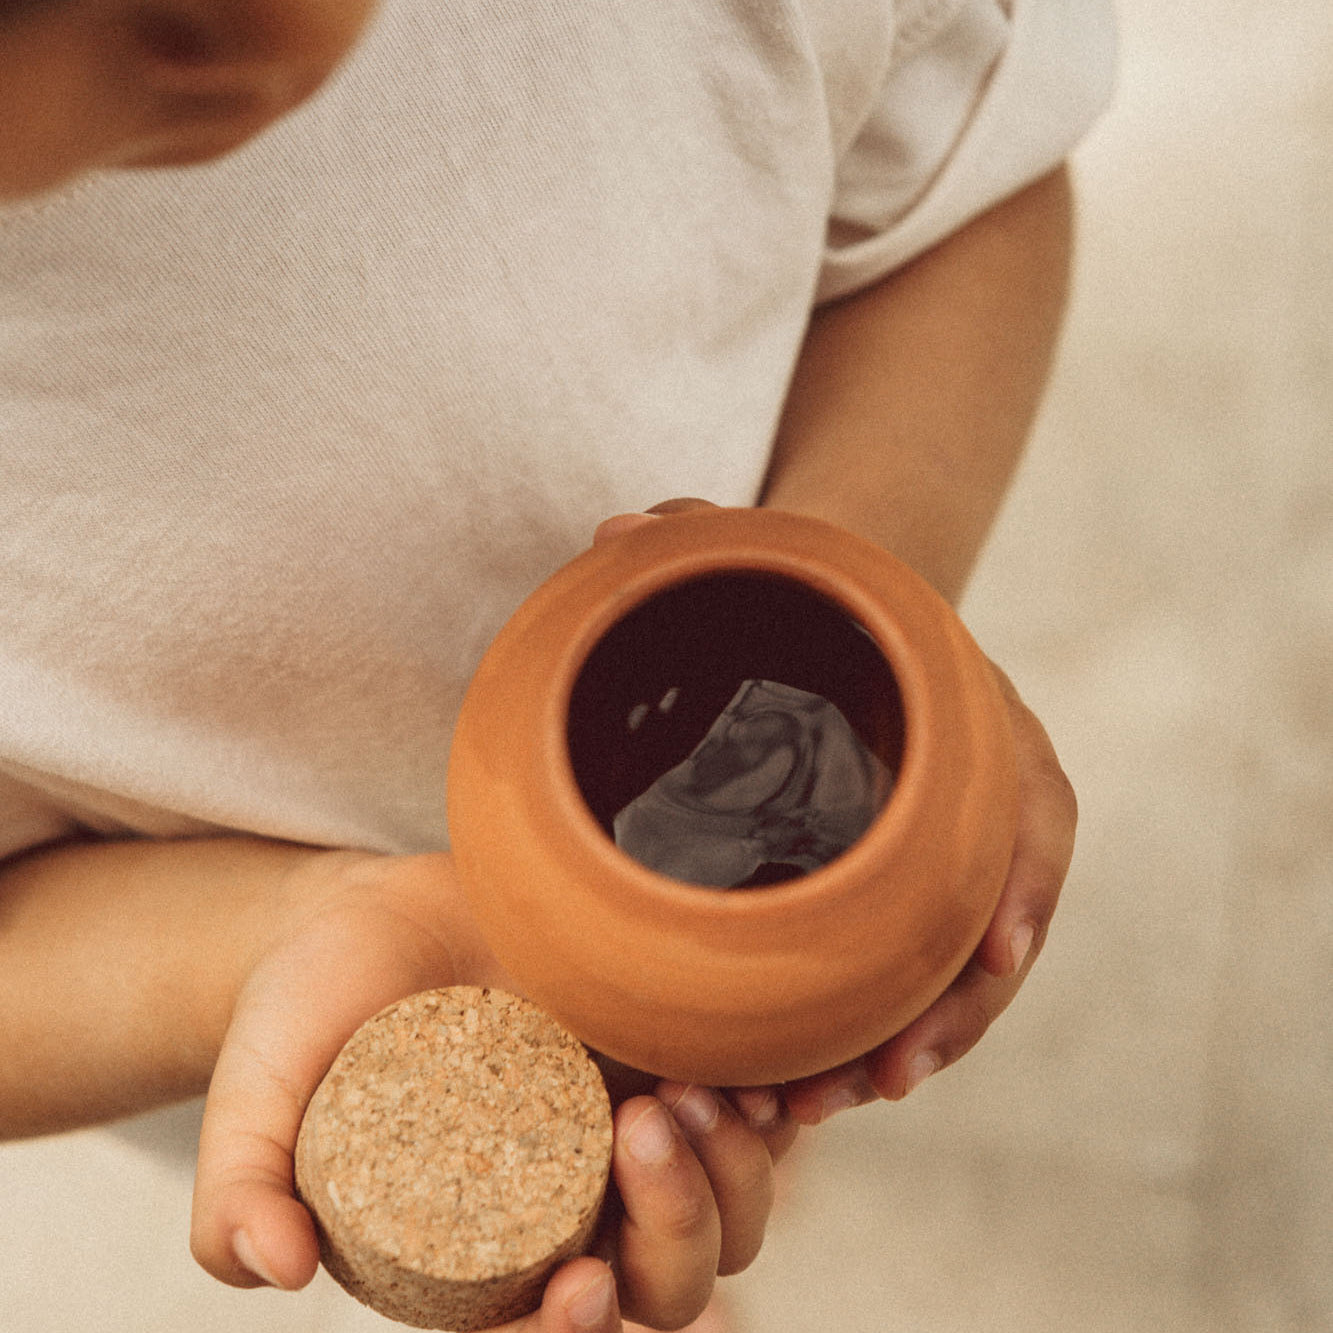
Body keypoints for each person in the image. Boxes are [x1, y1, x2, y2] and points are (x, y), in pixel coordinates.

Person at [0, 1, 1114, 1329]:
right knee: (638, 1233)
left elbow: (964, 197)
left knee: (723, 1138)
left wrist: (864, 578)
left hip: (737, 918)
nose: (229, 29)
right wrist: (266, 941)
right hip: (275, 996)